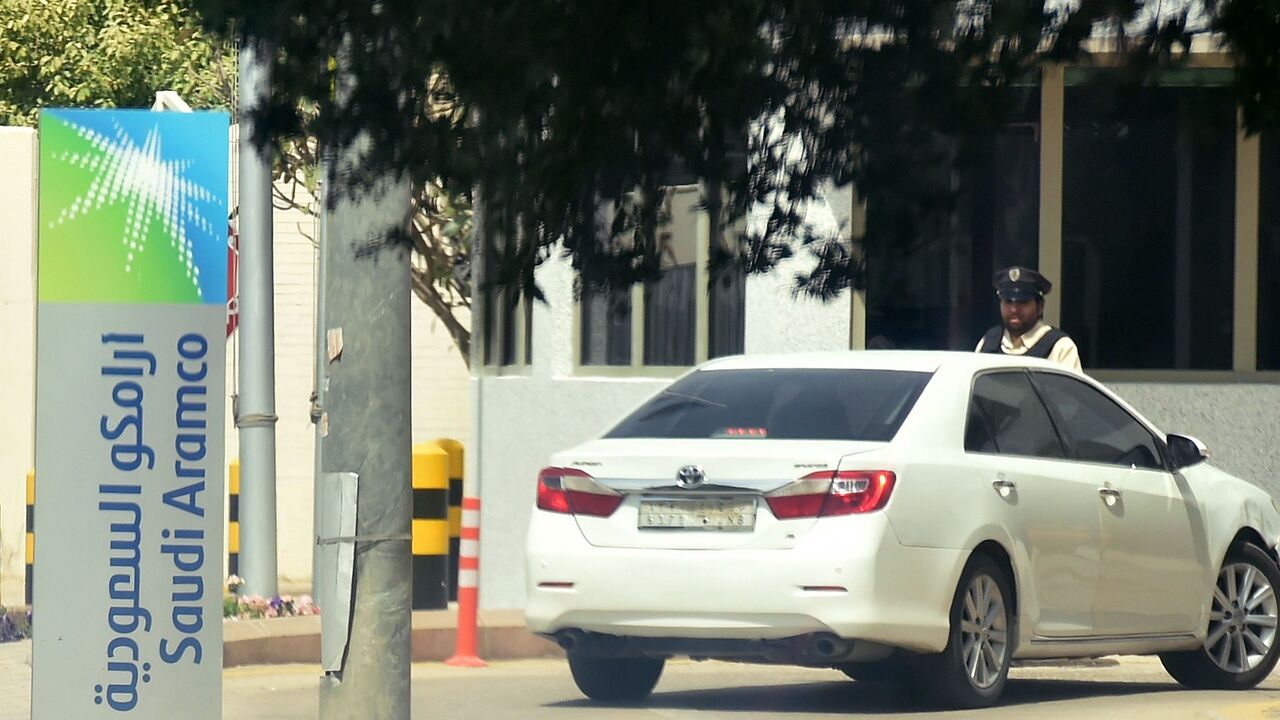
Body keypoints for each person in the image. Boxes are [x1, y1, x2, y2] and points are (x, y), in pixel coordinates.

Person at [975, 266, 1082, 373]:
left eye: (1022, 302)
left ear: (1040, 307)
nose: (1014, 309)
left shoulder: (1060, 347)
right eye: (1008, 301)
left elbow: (1071, 389)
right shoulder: (988, 342)